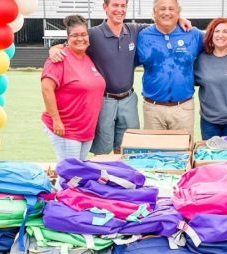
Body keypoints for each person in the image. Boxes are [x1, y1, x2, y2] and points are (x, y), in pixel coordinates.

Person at [49, 0, 191, 155]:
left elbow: (162, 23)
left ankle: (122, 177)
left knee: (128, 147)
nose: (119, 10)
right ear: (105, 7)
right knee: (102, 150)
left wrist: (178, 19)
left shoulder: (135, 30)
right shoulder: (94, 34)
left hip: (128, 100)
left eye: (123, 6)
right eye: (115, 5)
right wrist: (54, 48)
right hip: (104, 101)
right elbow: (75, 41)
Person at [41, 15, 106, 161]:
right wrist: (56, 120)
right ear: (68, 38)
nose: (80, 38)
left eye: (83, 34)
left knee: (79, 172)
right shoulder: (59, 58)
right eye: (75, 35)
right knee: (70, 172)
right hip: (67, 129)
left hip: (86, 130)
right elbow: (46, 89)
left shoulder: (88, 58)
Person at [137, 0, 204, 136]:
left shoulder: (193, 34)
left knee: (183, 152)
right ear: (154, 13)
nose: (167, 12)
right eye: (162, 9)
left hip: (183, 108)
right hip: (153, 109)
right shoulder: (143, 36)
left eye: (171, 9)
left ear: (178, 12)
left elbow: (221, 43)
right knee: (154, 153)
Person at [194, 18, 227, 140]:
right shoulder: (201, 59)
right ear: (211, 34)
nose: (220, 35)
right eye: (217, 31)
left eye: (225, 32)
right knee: (212, 158)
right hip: (209, 122)